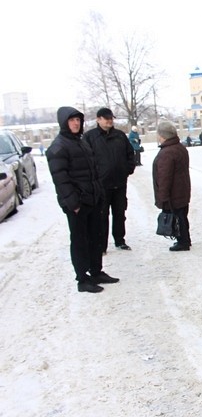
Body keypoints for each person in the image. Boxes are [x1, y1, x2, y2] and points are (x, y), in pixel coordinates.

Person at [46, 107, 119, 293]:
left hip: (92, 199)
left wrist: (99, 194)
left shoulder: (82, 142)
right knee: (80, 241)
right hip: (77, 204)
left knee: (95, 237)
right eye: (72, 120)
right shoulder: (58, 147)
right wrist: (74, 204)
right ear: (64, 123)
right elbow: (61, 180)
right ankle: (82, 279)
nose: (76, 123)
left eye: (78, 120)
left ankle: (96, 271)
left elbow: (93, 172)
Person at [83, 107, 136, 252]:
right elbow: (86, 160)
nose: (109, 121)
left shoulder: (119, 136)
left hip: (119, 183)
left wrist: (127, 169)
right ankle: (101, 245)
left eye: (111, 118)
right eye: (106, 118)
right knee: (101, 216)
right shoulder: (90, 137)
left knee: (120, 213)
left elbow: (130, 154)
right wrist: (94, 178)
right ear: (98, 119)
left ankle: (120, 240)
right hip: (101, 185)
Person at [152, 121, 191, 251]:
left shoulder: (166, 153)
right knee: (182, 215)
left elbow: (164, 177)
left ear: (162, 135)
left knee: (177, 217)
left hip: (173, 192)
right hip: (182, 189)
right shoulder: (180, 147)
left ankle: (183, 242)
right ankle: (186, 239)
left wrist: (163, 196)